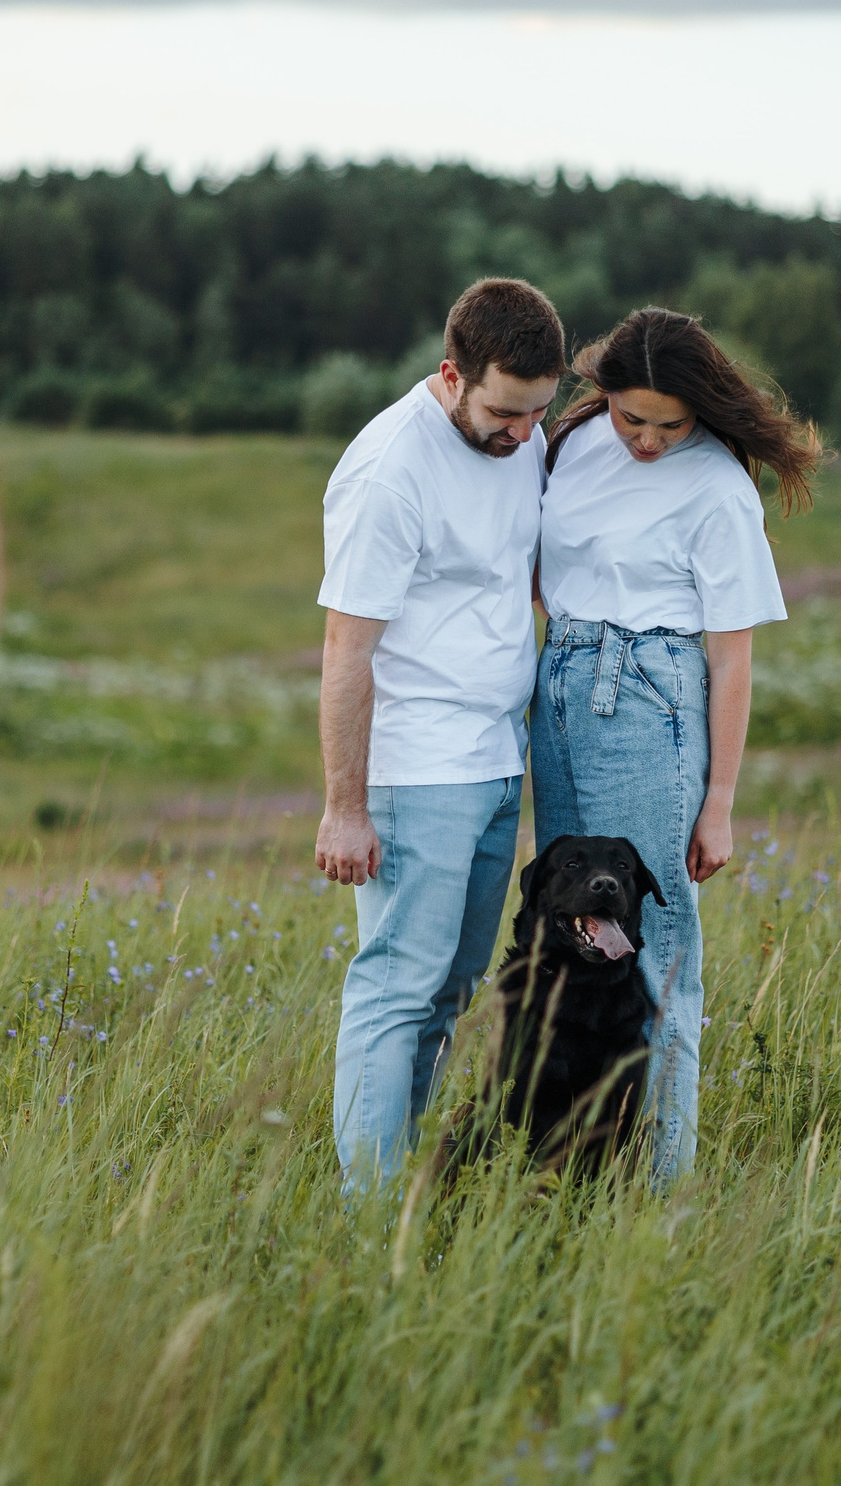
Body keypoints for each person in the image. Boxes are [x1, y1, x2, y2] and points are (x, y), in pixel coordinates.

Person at [531, 306, 822, 1183]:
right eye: (633, 418)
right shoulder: (577, 439)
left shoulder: (718, 488)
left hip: (650, 696)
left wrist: (720, 800)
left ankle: (660, 1186)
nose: (650, 441)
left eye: (672, 423)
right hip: (561, 683)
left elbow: (730, 660)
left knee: (652, 952)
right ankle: (582, 1164)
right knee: (573, 937)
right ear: (602, 392)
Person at [315, 277, 567, 1187]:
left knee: (451, 991)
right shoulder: (393, 469)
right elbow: (347, 647)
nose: (522, 433)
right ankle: (369, 1212)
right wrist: (346, 808)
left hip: (498, 762)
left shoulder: (521, 443)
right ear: (452, 374)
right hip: (418, 772)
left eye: (540, 413)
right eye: (506, 411)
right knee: (396, 990)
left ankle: (404, 1176)